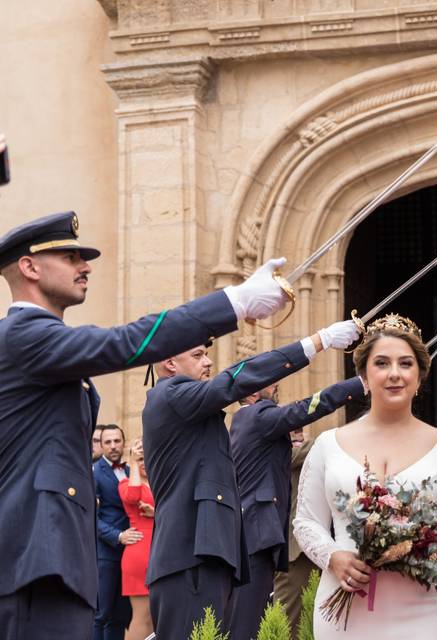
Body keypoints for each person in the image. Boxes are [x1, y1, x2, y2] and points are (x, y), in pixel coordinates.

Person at [0, 210, 291, 635]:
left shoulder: (39, 340)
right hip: (35, 558)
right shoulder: (26, 333)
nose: (85, 267)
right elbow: (123, 342)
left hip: (52, 558)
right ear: (29, 266)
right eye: (70, 257)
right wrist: (235, 301)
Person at [293, 314, 437, 639]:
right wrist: (333, 557)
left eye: (406, 364)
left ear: (420, 376)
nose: (394, 374)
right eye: (382, 363)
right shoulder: (328, 445)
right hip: (349, 606)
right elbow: (306, 522)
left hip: (432, 608)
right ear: (364, 376)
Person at [143, 319, 359, 639]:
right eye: (199, 355)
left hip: (206, 551)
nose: (209, 362)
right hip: (189, 557)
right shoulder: (171, 395)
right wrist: (318, 341)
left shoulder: (187, 406)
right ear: (170, 363)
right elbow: (234, 380)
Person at [226, 377, 364, 640]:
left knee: (254, 617)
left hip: (259, 536)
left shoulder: (245, 421)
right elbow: (308, 407)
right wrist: (360, 386)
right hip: (259, 536)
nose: (276, 385)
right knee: (252, 621)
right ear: (254, 391)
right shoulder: (257, 416)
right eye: (270, 381)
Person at [274, 429, 320, 633]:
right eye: (292, 427)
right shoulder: (283, 452)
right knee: (286, 623)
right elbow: (311, 449)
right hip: (294, 554)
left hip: (323, 549)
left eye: (300, 428)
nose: (297, 432)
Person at [93, 424, 134, 640]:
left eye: (117, 441)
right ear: (101, 445)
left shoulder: (129, 471)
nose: (113, 446)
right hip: (106, 554)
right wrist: (118, 536)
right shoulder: (94, 473)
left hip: (129, 556)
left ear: (123, 442)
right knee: (101, 614)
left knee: (121, 614)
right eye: (107, 442)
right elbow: (91, 518)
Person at [118, 438, 156, 640]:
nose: (143, 463)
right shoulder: (126, 483)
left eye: (145, 458)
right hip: (139, 553)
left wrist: (155, 513)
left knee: (156, 616)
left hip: (160, 551)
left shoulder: (158, 482)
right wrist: (132, 462)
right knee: (143, 615)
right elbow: (132, 497)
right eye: (139, 459)